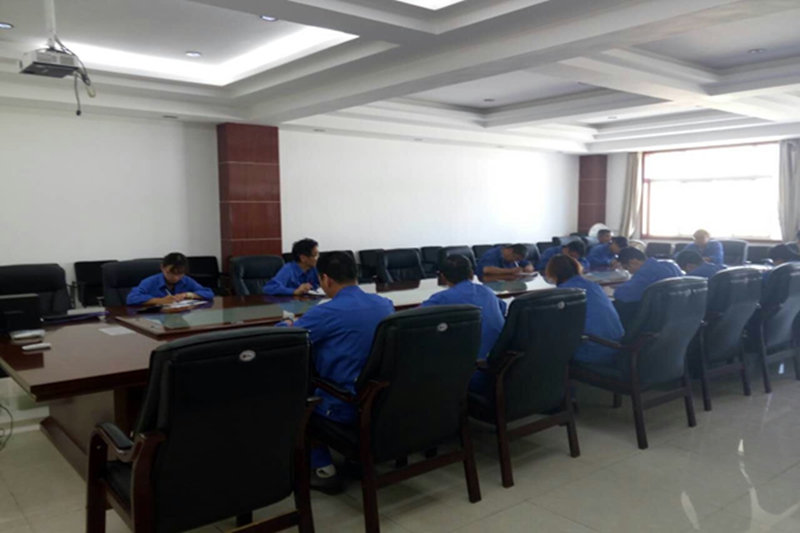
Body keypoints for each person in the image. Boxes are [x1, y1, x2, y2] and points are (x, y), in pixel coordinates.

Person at [277, 252, 394, 493]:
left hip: (346, 405)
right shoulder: (385, 304)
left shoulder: (325, 312)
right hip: (384, 400)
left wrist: (285, 323)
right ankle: (356, 460)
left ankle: (323, 470)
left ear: (326, 279)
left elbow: (289, 339)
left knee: (297, 395)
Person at [421, 255, 506, 391]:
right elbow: (502, 310)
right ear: (471, 274)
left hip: (470, 372)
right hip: (502, 366)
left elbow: (413, 321)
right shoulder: (487, 291)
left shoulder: (441, 299)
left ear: (442, 277)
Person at [545, 255, 624, 366]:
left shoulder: (563, 293)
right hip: (617, 345)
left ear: (553, 274)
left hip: (594, 350)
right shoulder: (594, 285)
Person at [126, 252, 214, 306]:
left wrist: (186, 295)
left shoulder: (186, 280)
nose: (175, 277)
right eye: (170, 273)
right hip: (158, 317)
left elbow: (208, 293)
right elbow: (131, 298)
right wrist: (161, 301)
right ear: (162, 268)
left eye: (180, 274)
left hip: (179, 314)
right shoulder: (150, 282)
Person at [614, 248, 683, 303]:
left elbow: (620, 294)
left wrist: (619, 287)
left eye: (626, 268)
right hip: (679, 308)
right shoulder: (671, 265)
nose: (630, 272)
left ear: (633, 261)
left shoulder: (644, 272)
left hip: (657, 311)